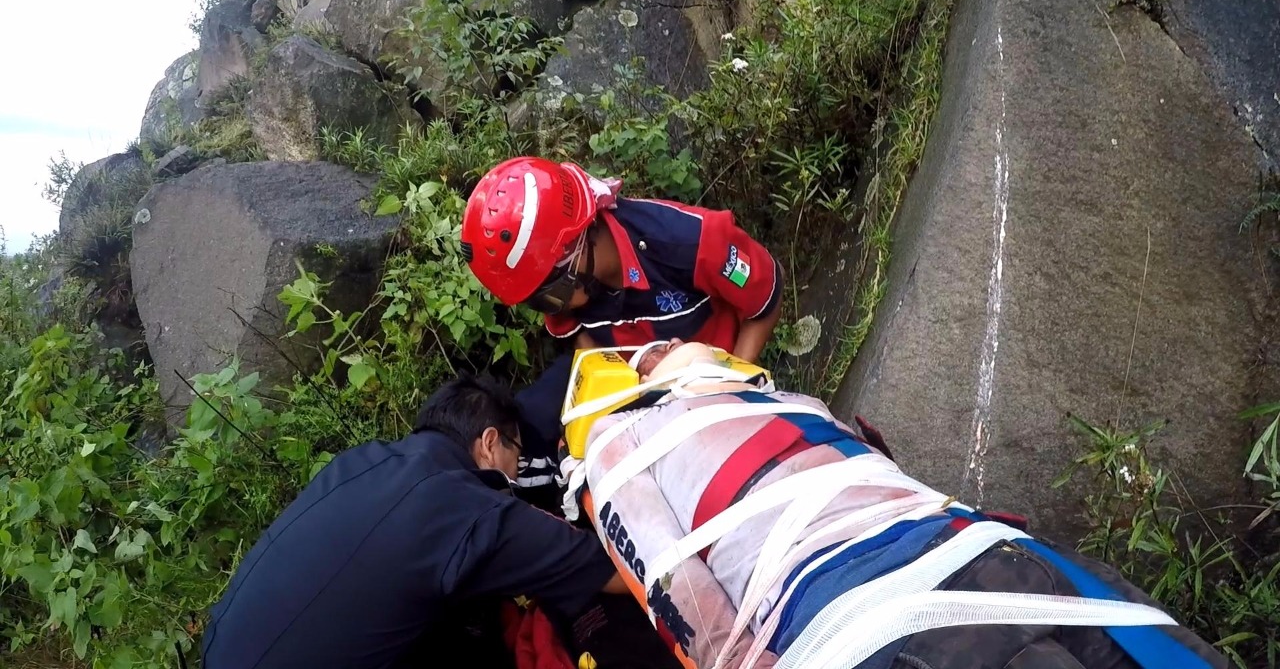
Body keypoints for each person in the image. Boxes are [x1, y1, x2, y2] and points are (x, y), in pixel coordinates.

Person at [569, 340, 1228, 669]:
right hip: (1000, 560)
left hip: (874, 627)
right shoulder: (782, 401)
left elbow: (685, 597)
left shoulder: (615, 453)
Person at [200, 374, 627, 669]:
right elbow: (616, 573)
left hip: (222, 648)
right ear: (491, 442)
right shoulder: (466, 511)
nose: (517, 473)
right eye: (516, 454)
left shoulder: (361, 462)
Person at [459, 156, 784, 483]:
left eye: (549, 296)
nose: (550, 308)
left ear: (576, 249)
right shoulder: (559, 285)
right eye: (537, 302)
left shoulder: (691, 242)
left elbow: (765, 299)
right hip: (642, 405)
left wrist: (729, 386)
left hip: (711, 385)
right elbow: (584, 347)